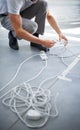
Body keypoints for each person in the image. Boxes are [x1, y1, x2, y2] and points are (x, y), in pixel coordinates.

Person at [0, 0, 68, 52]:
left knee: (43, 3)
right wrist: (43, 42)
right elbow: (19, 30)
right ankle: (12, 34)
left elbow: (49, 16)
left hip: (20, 11)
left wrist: (60, 33)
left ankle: (35, 41)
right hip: (6, 16)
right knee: (32, 27)